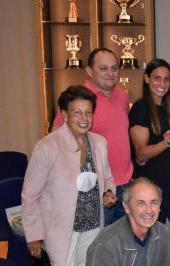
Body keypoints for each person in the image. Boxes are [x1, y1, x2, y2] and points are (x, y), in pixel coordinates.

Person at [22, 85, 116, 266]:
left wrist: (109, 192)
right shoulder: (47, 146)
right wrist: (34, 235)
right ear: (64, 114)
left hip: (92, 228)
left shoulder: (99, 142)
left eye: (88, 112)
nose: (84, 117)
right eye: (77, 112)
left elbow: (108, 176)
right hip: (59, 232)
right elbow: (29, 195)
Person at [53, 48, 131, 225]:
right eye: (103, 68)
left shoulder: (122, 96)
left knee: (120, 244)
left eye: (114, 68)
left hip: (124, 184)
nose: (110, 73)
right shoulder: (79, 98)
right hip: (95, 188)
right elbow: (57, 135)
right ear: (89, 71)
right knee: (96, 244)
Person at [129, 58, 170, 245]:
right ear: (147, 78)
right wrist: (166, 142)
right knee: (151, 242)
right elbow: (141, 154)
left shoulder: (169, 108)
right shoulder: (140, 109)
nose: (162, 84)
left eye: (166, 79)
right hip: (150, 189)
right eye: (157, 78)